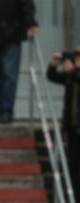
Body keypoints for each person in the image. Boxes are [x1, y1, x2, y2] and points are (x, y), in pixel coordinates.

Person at [0, 0, 37, 124]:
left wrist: (31, 23)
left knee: (9, 74)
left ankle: (6, 112)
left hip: (12, 35)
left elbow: (27, 5)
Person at [47, 49, 80, 192]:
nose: (76, 58)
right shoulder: (71, 76)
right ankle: (75, 196)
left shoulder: (74, 74)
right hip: (73, 126)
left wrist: (73, 71)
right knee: (73, 163)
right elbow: (52, 76)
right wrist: (54, 64)